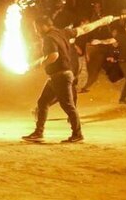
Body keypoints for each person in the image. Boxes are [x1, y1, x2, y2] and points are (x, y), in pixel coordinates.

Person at [22, 14, 116, 143]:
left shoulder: (49, 38)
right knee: (43, 102)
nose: (36, 31)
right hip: (57, 76)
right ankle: (39, 132)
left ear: (44, 26)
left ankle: (77, 134)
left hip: (60, 75)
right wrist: (102, 21)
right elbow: (84, 29)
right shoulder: (63, 32)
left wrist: (37, 64)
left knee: (68, 106)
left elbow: (53, 56)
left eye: (37, 28)